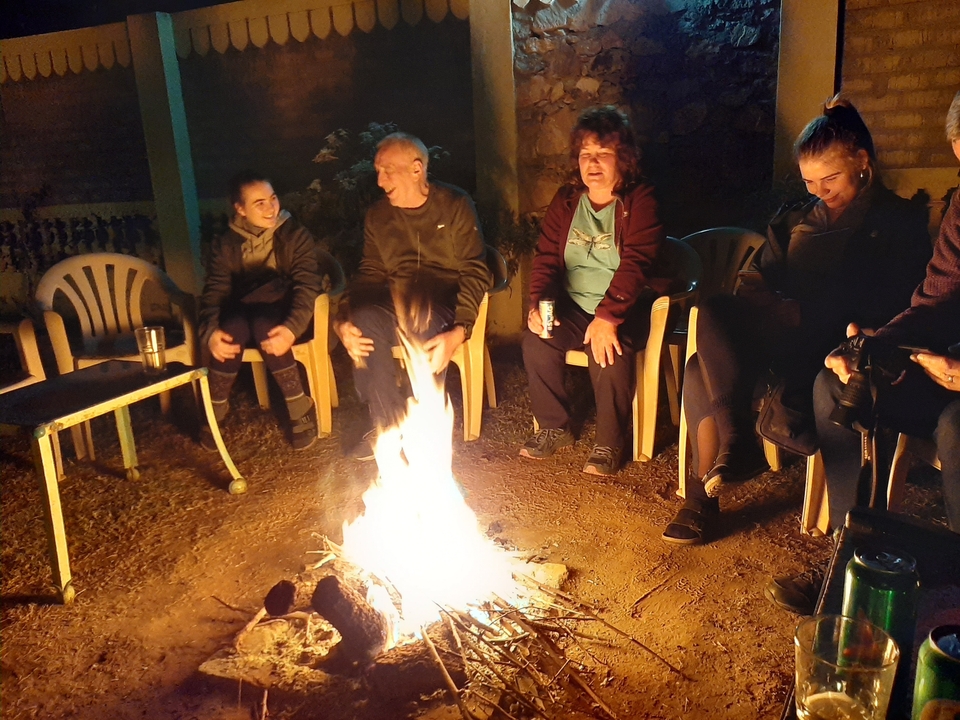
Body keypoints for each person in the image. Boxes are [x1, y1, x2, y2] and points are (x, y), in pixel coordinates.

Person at [661, 98, 932, 545]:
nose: (820, 191)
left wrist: (810, 312)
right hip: (780, 330)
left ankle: (718, 475)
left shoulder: (897, 221)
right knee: (710, 319)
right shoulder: (795, 219)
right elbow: (755, 276)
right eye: (810, 181)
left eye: (830, 179)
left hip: (834, 345)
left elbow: (893, 299)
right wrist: (773, 303)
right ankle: (717, 473)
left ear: (862, 164)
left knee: (699, 369)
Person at [766, 92, 960, 615]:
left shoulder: (892, 221)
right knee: (838, 383)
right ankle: (848, 557)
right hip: (943, 363)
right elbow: (935, 297)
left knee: (956, 428)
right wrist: (870, 346)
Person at [520, 106, 665, 476]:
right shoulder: (567, 200)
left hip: (625, 306)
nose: (593, 162)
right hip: (574, 304)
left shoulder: (641, 200)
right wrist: (539, 306)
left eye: (603, 153)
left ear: (624, 158)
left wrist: (607, 316)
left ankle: (610, 442)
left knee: (609, 351)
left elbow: (636, 263)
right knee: (536, 340)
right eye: (586, 154)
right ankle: (555, 426)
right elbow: (547, 259)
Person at [333, 132, 491, 459]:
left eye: (388, 170)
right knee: (363, 321)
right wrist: (343, 319)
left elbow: (476, 270)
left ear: (417, 169)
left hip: (443, 302)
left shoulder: (454, 205)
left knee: (421, 317)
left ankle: (425, 427)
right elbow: (370, 273)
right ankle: (388, 427)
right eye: (378, 171)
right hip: (396, 301)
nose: (380, 180)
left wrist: (460, 330)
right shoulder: (378, 215)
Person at [198, 171, 322, 450]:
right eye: (259, 203)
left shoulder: (294, 235)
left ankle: (298, 406)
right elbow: (215, 291)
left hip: (282, 315)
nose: (271, 208)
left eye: (273, 198)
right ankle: (215, 411)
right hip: (241, 315)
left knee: (264, 322)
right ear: (240, 209)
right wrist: (210, 332)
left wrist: (292, 329)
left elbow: (306, 286)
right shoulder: (225, 244)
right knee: (231, 330)